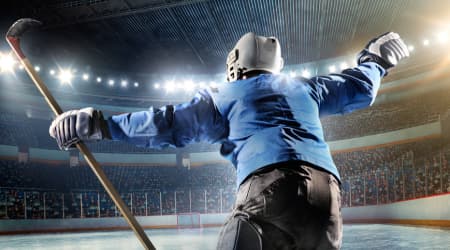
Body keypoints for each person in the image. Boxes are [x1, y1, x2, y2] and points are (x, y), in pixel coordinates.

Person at [49, 32, 409, 249]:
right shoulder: (305, 88)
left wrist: (101, 125)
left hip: (271, 186)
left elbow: (169, 125)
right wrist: (374, 60)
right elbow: (359, 88)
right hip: (328, 196)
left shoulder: (226, 94)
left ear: (235, 64)